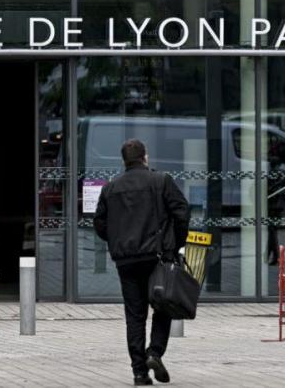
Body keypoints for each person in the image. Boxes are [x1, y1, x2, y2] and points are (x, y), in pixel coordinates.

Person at [94, 139, 190, 386]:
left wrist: (117, 240)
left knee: (134, 316)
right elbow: (182, 212)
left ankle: (139, 373)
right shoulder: (161, 181)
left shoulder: (110, 188)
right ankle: (154, 352)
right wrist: (175, 243)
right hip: (158, 258)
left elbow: (100, 225)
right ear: (145, 157)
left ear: (124, 160)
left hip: (126, 261)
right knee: (164, 306)